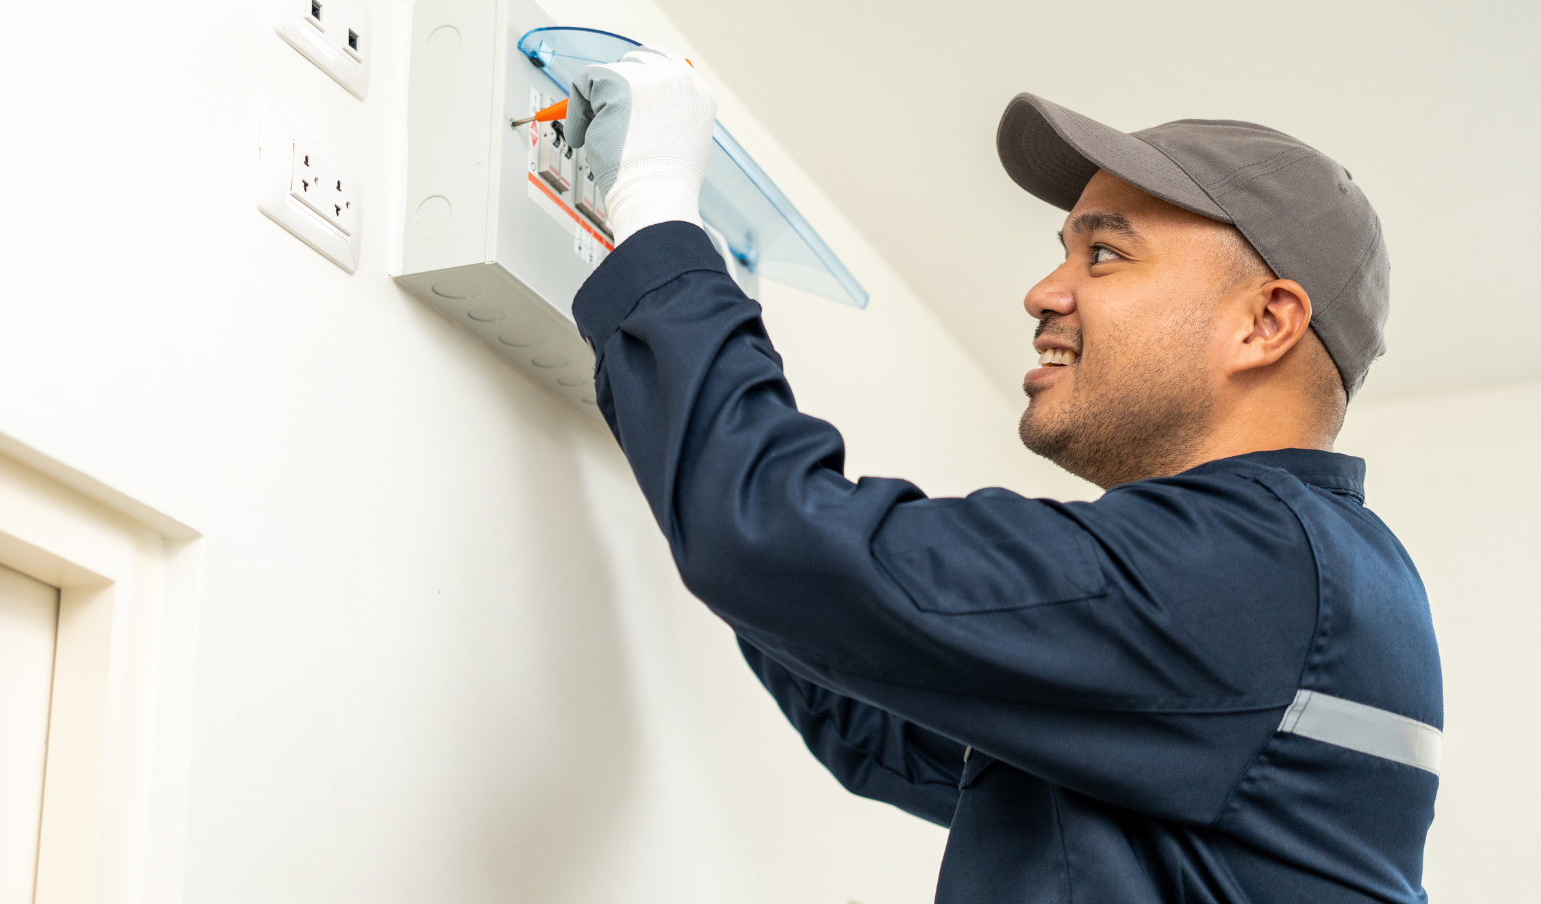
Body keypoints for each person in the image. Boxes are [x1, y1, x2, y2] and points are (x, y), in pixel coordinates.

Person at [565, 47, 1441, 904]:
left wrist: (657, 217)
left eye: (1103, 255)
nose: (1043, 292)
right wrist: (685, 397)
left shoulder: (1256, 567)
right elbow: (877, 727)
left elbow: (780, 545)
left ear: (1264, 323)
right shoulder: (1321, 581)